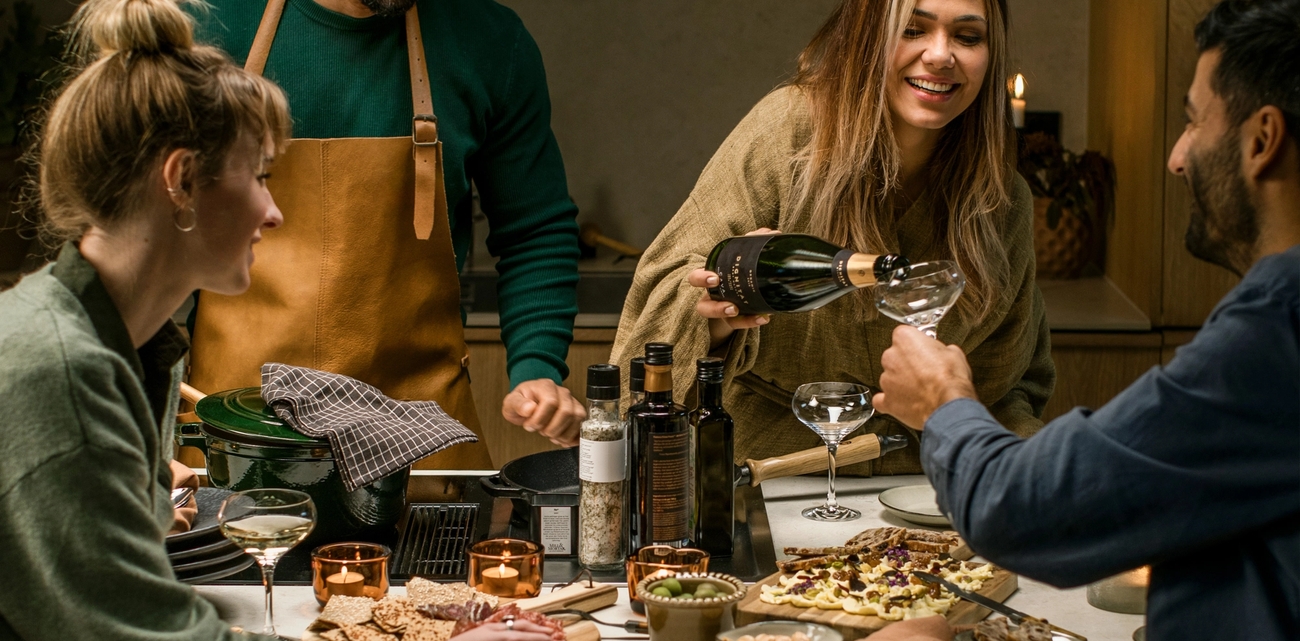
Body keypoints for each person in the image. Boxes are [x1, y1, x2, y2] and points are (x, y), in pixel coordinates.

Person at [0, 1, 567, 639]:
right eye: (261, 176)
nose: (274, 212)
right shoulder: (59, 376)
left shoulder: (119, 350)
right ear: (180, 181)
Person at [872, 0, 1300, 638]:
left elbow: (1022, 511)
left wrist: (943, 402)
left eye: (1192, 122)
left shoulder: (1276, 333)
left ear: (1262, 140)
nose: (1177, 157)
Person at [611, 0, 1054, 474]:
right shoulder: (788, 131)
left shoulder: (1002, 199)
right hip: (761, 471)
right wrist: (721, 316)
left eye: (967, 37)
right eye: (912, 30)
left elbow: (1008, 386)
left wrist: (1025, 477)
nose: (940, 55)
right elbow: (666, 298)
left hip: (921, 482)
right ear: (869, 35)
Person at [182, 0, 586, 471]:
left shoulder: (491, 40)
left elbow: (535, 230)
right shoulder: (206, 24)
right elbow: (138, 222)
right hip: (236, 433)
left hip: (420, 438)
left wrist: (537, 367)